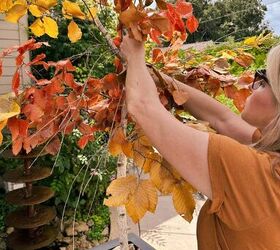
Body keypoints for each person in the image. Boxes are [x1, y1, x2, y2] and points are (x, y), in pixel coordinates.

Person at [120, 35, 280, 250]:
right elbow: (222, 119)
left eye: (263, 80)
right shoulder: (272, 151)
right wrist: (161, 79)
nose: (252, 85)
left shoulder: (254, 172)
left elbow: (143, 106)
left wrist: (134, 54)